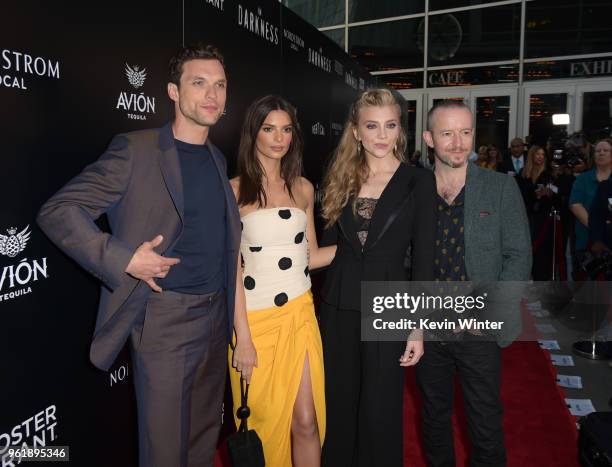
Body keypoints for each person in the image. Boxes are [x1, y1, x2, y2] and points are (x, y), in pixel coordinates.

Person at [36, 44, 238, 467]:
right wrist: (124, 258)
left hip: (215, 318)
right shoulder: (136, 150)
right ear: (172, 91)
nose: (211, 95)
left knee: (203, 440)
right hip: (165, 321)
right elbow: (58, 211)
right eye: (198, 83)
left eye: (218, 85)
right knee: (164, 451)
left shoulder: (217, 159)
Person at [319, 88, 437, 467]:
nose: (382, 135)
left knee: (380, 408)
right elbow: (326, 249)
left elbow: (424, 260)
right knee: (338, 402)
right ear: (356, 131)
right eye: (372, 126)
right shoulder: (339, 178)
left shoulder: (418, 181)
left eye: (390, 125)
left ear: (400, 130)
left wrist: (417, 327)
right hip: (339, 303)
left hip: (390, 305)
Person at [417, 99, 531, 466]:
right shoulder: (412, 189)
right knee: (433, 417)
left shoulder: (500, 188)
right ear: (429, 138)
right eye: (447, 133)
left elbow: (519, 256)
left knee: (484, 421)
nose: (457, 143)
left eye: (465, 132)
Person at [228, 95, 336, 466]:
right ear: (252, 133)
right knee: (265, 425)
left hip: (299, 315)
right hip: (254, 324)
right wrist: (242, 338)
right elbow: (233, 271)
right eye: (269, 128)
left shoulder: (303, 188)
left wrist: (359, 247)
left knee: (307, 421)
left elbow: (312, 256)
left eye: (286, 129)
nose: (279, 138)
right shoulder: (233, 191)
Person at [569, 138, 612, 268]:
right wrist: (598, 229)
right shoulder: (583, 179)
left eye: (606, 150)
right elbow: (575, 205)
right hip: (586, 241)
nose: (601, 153)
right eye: (598, 151)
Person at [517, 145, 556, 279]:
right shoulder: (523, 173)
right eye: (537, 154)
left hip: (544, 217)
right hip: (526, 215)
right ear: (532, 156)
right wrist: (535, 196)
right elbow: (520, 195)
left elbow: (556, 193)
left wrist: (547, 194)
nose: (540, 157)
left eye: (543, 155)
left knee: (541, 250)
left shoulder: (549, 173)